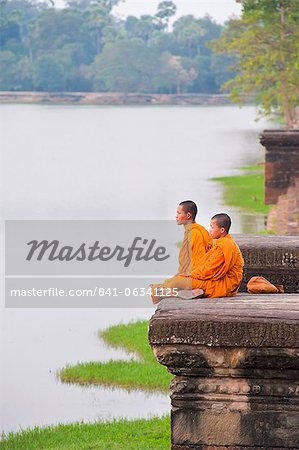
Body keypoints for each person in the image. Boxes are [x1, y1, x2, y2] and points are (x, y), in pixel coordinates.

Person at [151, 212, 244, 303]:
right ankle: (187, 291)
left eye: (212, 227)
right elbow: (208, 266)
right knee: (180, 278)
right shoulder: (224, 243)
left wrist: (190, 274)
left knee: (178, 281)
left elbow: (209, 271)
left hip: (223, 286)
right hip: (220, 282)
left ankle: (164, 292)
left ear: (222, 230)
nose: (209, 230)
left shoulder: (225, 246)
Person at [151, 200, 212, 303]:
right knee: (171, 282)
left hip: (197, 275)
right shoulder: (192, 231)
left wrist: (186, 275)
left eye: (179, 213)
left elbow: (200, 262)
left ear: (188, 215)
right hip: (192, 273)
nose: (176, 216)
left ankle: (187, 290)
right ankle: (180, 290)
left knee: (174, 282)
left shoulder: (195, 233)